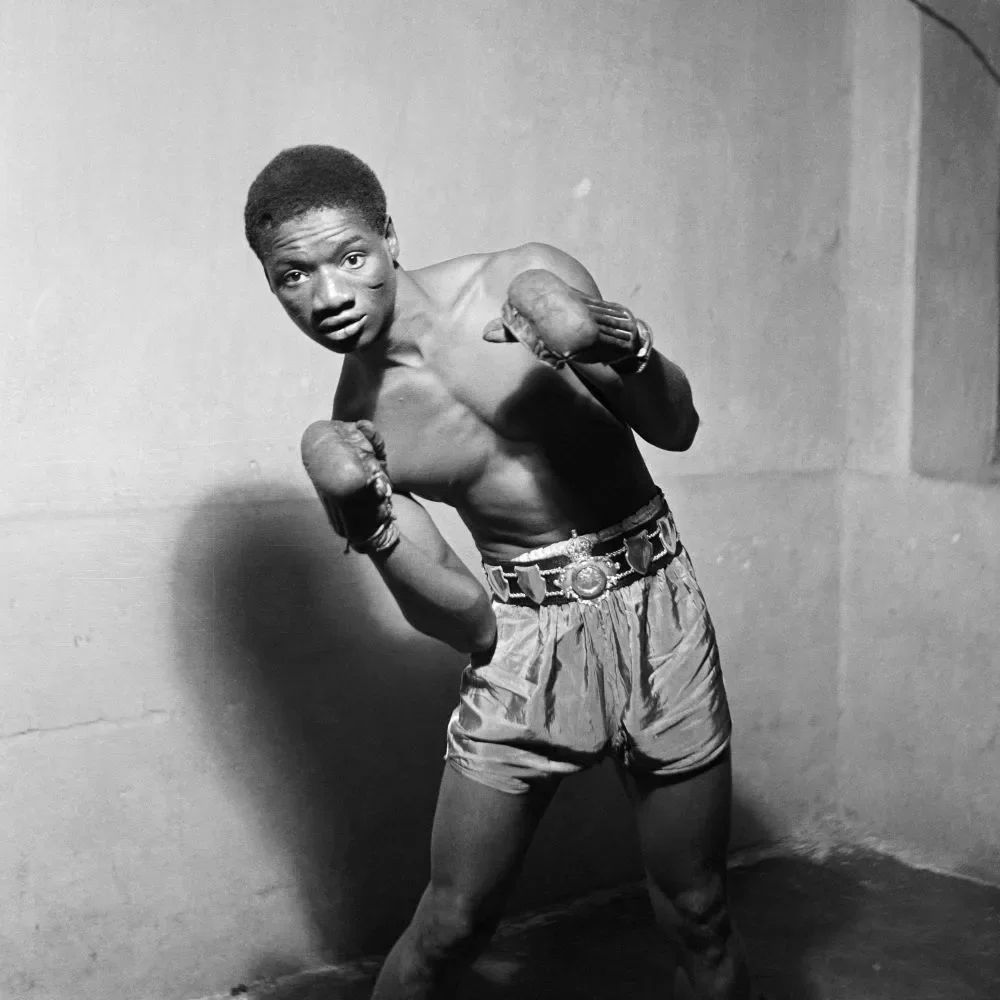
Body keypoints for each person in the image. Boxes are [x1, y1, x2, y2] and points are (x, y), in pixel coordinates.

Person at [244, 145, 753, 999]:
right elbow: (466, 622)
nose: (327, 297)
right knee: (449, 924)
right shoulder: (364, 431)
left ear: (389, 236)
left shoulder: (524, 276)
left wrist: (616, 341)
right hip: (524, 641)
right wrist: (369, 523)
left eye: (350, 258)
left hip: (655, 604)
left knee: (698, 908)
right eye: (292, 276)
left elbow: (678, 427)